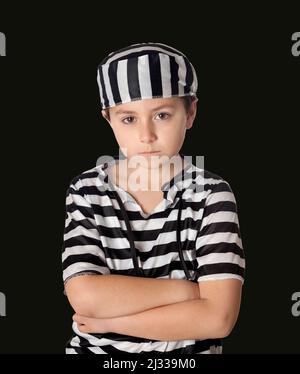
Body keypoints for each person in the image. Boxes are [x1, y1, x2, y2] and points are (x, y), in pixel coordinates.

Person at [61, 42, 245, 354]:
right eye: (129, 118)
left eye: (161, 114)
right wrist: (189, 293)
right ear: (109, 119)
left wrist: (109, 323)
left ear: (190, 113)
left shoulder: (212, 194)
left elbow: (218, 318)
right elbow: (85, 297)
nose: (146, 135)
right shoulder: (87, 190)